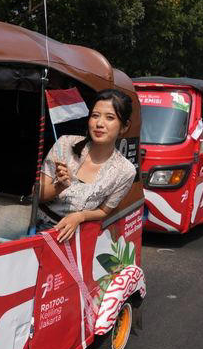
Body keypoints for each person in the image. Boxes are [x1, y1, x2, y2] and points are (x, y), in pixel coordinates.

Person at [38, 89, 136, 243]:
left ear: (124, 126)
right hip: (34, 231)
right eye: (95, 115)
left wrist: (80, 216)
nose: (99, 123)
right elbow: (36, 196)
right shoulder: (65, 144)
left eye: (110, 118)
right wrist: (59, 187)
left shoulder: (126, 171)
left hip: (74, 239)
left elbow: (104, 211)